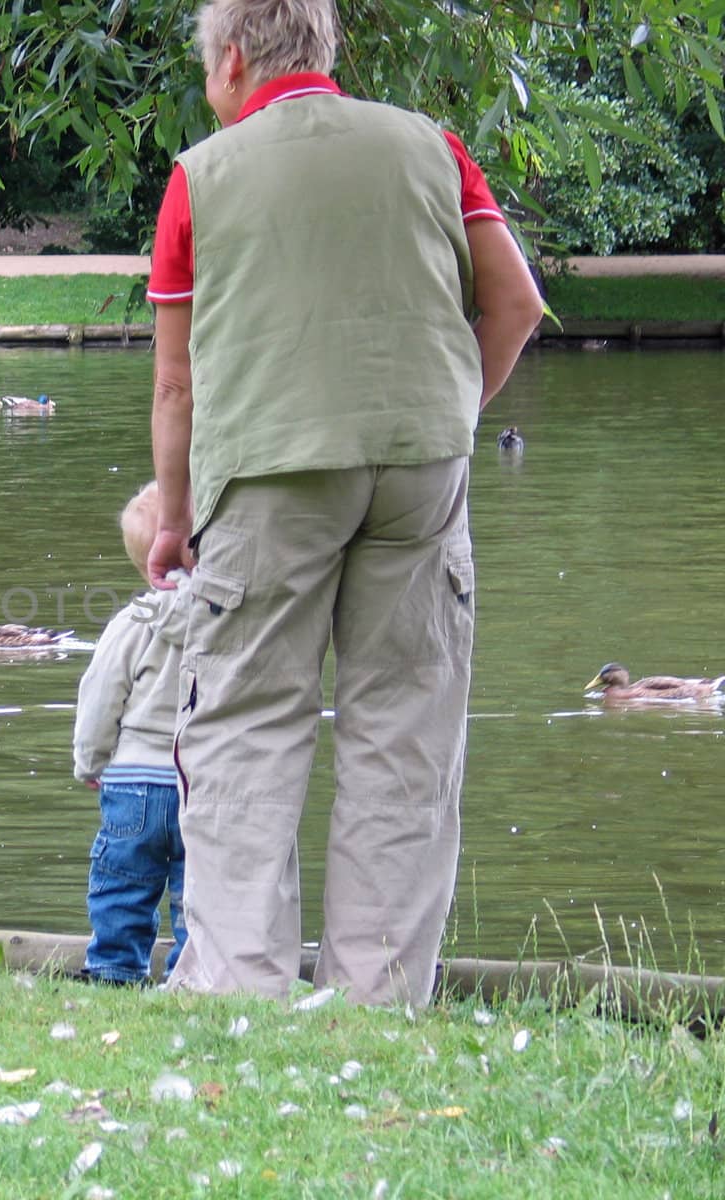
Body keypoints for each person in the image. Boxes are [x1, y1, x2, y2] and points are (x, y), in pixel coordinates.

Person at [144, 0, 545, 1007]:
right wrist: (451, 414)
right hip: (419, 467)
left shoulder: (202, 175)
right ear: (324, 52)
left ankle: (238, 986)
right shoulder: (433, 149)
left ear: (232, 62)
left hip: (269, 471)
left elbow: (176, 384)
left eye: (208, 71)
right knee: (403, 723)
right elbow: (516, 304)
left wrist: (173, 518)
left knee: (244, 717)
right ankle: (381, 995)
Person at [72, 481, 191, 984]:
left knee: (122, 879)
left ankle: (114, 967)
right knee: (198, 890)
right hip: (199, 779)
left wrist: (90, 762)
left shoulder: (132, 622)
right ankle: (192, 971)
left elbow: (101, 695)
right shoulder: (228, 622)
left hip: (132, 782)